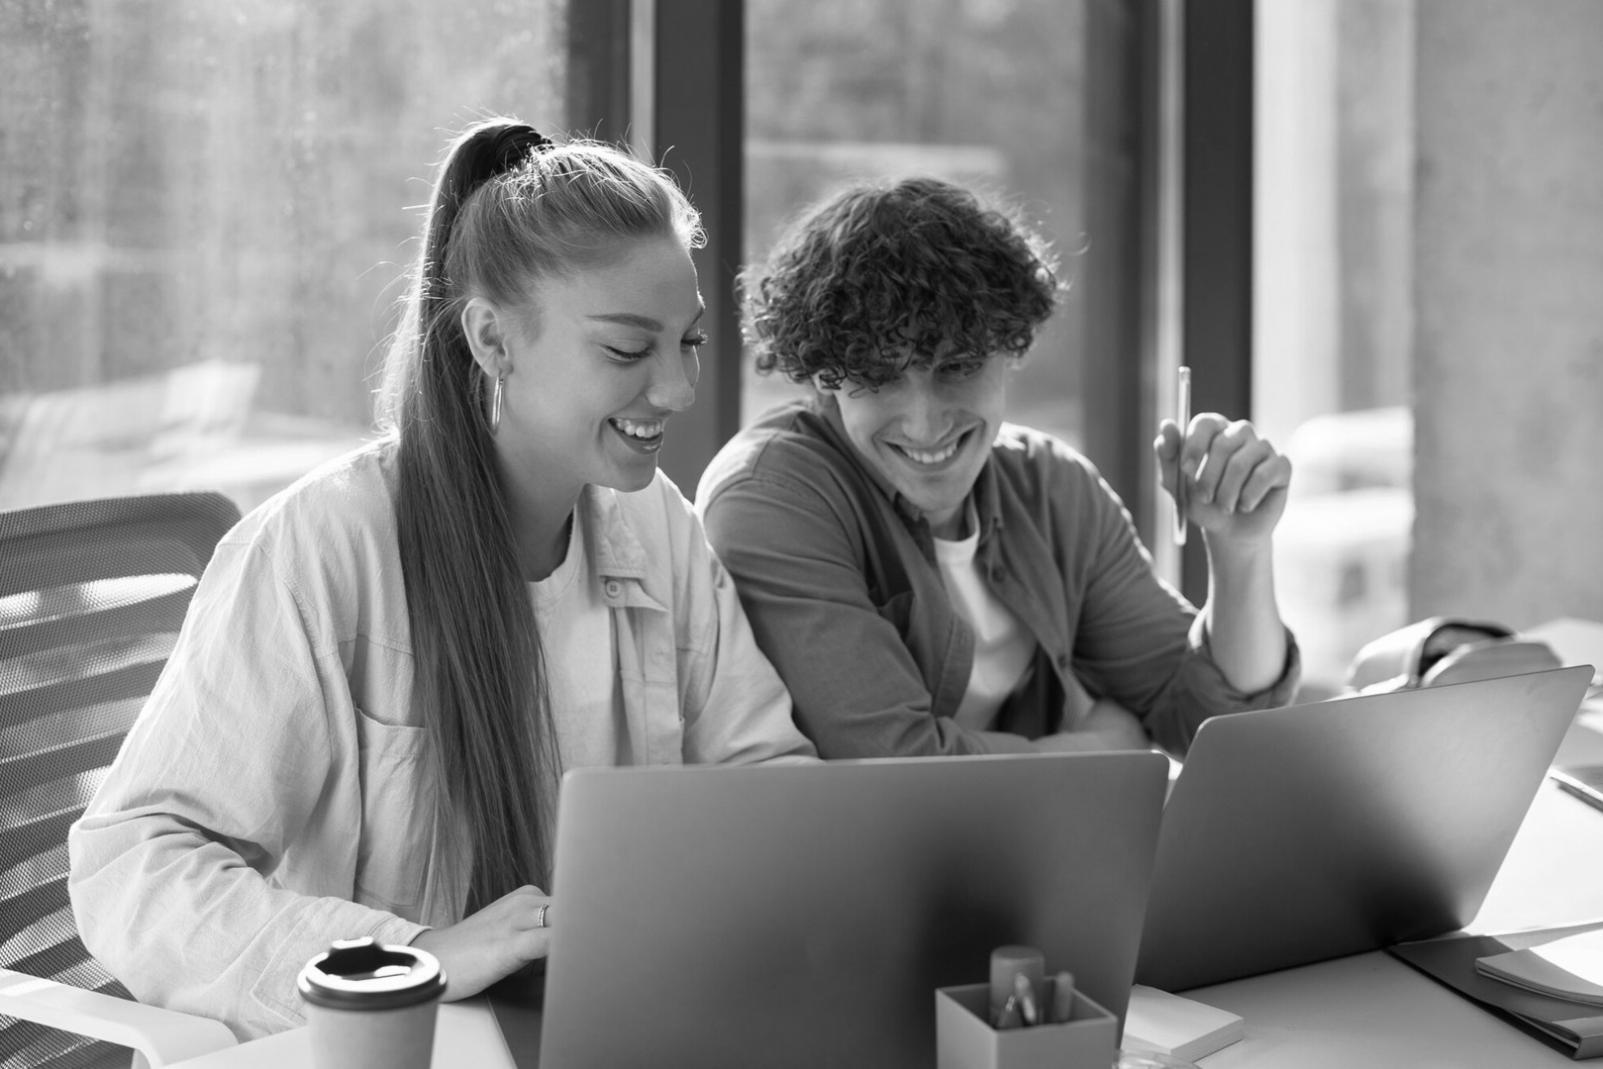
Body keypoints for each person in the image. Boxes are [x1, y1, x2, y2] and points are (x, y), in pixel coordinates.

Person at [68, 118, 815, 1040]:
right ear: (493, 341)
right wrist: (413, 951)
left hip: (606, 1026)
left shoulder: (654, 521)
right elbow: (134, 866)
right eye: (628, 351)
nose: (675, 389)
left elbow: (768, 776)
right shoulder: (323, 547)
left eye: (690, 342)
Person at [696, 176, 1300, 759]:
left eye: (956, 365)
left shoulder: (1052, 489)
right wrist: (1099, 749)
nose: (925, 424)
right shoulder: (770, 497)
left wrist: (1239, 550)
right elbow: (887, 765)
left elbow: (1218, 730)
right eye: (878, 378)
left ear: (1009, 348)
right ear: (824, 379)